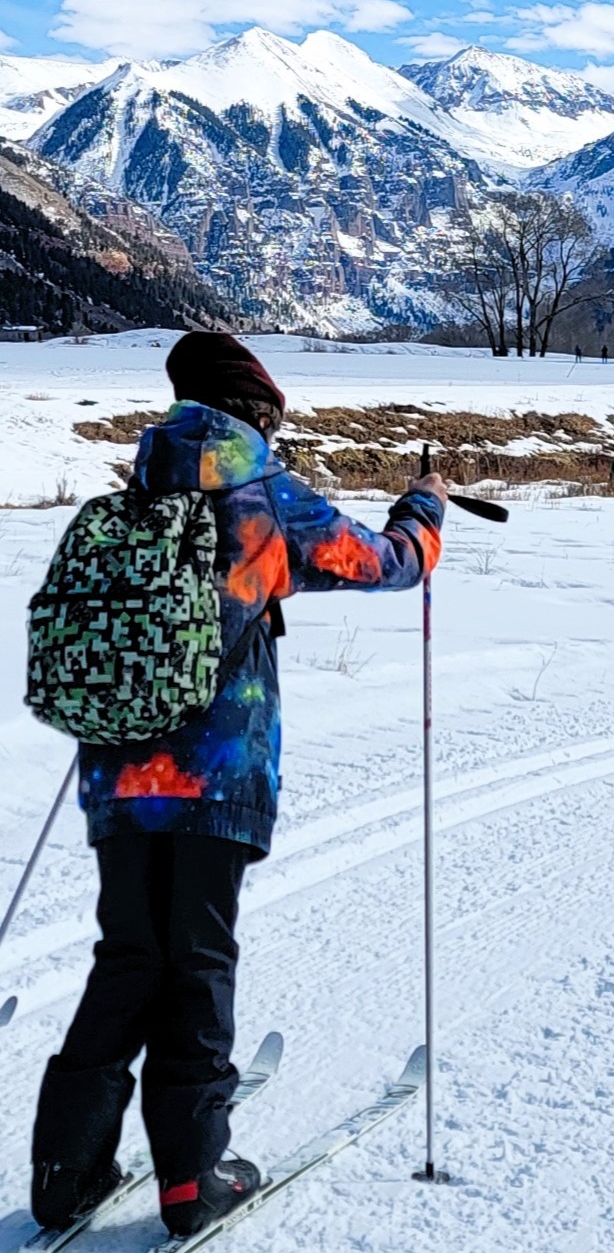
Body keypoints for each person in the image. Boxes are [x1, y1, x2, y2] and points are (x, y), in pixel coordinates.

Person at [30, 333, 448, 1238]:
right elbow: (386, 562)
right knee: (200, 961)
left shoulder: (137, 488)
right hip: (218, 775)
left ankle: (66, 1169)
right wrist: (424, 511)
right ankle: (192, 1176)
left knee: (129, 957)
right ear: (256, 415)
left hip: (119, 773)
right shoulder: (264, 500)